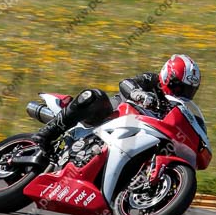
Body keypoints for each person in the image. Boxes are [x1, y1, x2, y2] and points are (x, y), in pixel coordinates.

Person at [32, 54, 201, 153]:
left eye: (187, 90)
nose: (182, 93)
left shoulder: (179, 108)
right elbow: (125, 83)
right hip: (108, 116)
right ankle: (45, 135)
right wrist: (138, 94)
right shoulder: (152, 80)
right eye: (178, 86)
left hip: (134, 138)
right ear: (166, 76)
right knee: (94, 95)